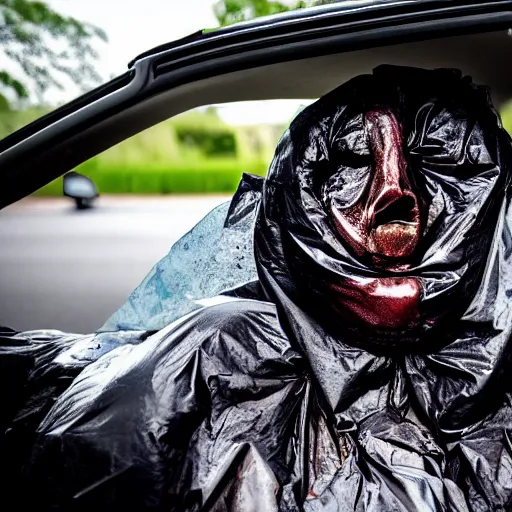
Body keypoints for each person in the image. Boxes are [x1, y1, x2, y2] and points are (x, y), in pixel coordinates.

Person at [2, 65, 512, 511]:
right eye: (347, 164)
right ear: (284, 202)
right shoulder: (201, 363)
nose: (393, 195)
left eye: (450, 166)